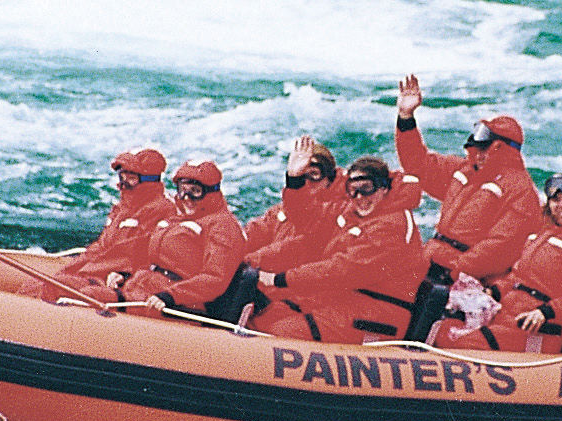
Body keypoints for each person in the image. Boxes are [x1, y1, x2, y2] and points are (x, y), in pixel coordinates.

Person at [251, 157, 429, 343]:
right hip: (342, 300)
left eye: (367, 188)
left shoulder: (392, 225)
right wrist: (295, 180)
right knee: (265, 316)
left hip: (376, 315)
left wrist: (280, 279)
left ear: (384, 188)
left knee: (281, 331)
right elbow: (307, 218)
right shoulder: (351, 212)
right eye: (353, 190)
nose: (360, 197)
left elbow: (344, 270)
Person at [444, 173, 562, 352]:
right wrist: (494, 291)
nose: (561, 206)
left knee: (465, 344)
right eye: (555, 200)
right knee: (445, 329)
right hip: (507, 315)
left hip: (537, 330)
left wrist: (546, 312)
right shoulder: (545, 234)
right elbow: (519, 276)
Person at [394, 74, 540, 284]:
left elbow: (501, 245)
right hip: (430, 260)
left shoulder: (521, 191)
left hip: (461, 277)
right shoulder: (465, 171)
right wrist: (406, 117)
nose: (479, 154)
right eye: (476, 148)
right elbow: (417, 164)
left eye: (485, 148)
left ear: (502, 150)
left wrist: (455, 269)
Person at [35, 148, 174, 301]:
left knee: (56, 286)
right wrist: (71, 269)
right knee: (36, 284)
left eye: (131, 178)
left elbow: (137, 257)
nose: (124, 184)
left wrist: (116, 274)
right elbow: (101, 247)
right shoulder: (123, 208)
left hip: (114, 281)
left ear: (150, 180)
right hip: (97, 272)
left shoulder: (163, 210)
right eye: (122, 176)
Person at [119, 159, 249, 316]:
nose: (186, 198)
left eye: (195, 191)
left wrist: (171, 295)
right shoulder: (176, 219)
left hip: (178, 303)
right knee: (91, 293)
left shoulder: (222, 226)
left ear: (211, 192)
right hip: (144, 287)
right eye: (182, 190)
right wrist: (125, 273)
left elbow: (215, 278)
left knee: (97, 297)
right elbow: (147, 257)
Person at [243, 135, 344, 273]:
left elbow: (294, 247)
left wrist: (250, 261)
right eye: (302, 176)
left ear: (329, 179)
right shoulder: (282, 210)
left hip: (299, 287)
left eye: (314, 175)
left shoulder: (339, 213)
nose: (307, 182)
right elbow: (252, 235)